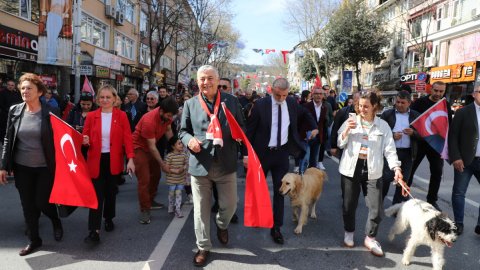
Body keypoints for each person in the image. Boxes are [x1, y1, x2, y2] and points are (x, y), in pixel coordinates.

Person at [179, 65, 245, 267]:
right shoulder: (190, 104)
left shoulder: (231, 102)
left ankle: (222, 224)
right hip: (200, 164)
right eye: (202, 79)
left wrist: (246, 155)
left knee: (230, 205)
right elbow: (182, 131)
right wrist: (189, 140)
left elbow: (242, 130)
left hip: (226, 163)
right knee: (200, 210)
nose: (205, 82)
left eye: (209, 78)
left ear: (217, 81)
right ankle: (203, 247)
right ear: (197, 81)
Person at [246, 78, 317, 245]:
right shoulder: (261, 105)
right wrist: (246, 154)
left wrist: (314, 126)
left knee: (280, 191)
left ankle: (276, 227)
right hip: (262, 154)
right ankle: (257, 216)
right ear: (272, 90)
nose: (281, 99)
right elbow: (250, 131)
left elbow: (306, 113)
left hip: (282, 154)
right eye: (278, 95)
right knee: (258, 188)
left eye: (284, 95)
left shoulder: (291, 103)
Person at [0, 73, 63, 256]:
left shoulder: (51, 112)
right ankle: (34, 240)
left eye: (29, 88)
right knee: (28, 205)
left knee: (42, 202)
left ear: (39, 92)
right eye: (23, 88)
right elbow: (8, 137)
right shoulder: (15, 110)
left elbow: (61, 136)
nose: (25, 91)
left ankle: (55, 219)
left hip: (45, 167)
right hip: (22, 168)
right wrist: (3, 166)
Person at [338, 91, 402, 257]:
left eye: (366, 106)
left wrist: (396, 168)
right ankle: (349, 232)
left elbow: (390, 149)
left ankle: (370, 238)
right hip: (351, 167)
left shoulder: (383, 126)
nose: (362, 109)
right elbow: (339, 143)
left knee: (376, 208)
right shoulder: (350, 121)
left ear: (375, 106)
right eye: (360, 105)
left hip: (373, 169)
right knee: (348, 204)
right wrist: (346, 132)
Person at [82, 85, 135, 244]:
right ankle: (94, 231)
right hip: (96, 160)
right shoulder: (91, 116)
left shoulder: (122, 116)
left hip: (114, 160)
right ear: (98, 99)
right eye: (102, 97)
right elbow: (85, 137)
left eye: (108, 97)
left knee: (110, 193)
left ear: (114, 99)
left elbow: (127, 139)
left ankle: (109, 217)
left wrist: (130, 159)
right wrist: (85, 140)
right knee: (96, 196)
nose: (105, 100)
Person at [132, 97, 178, 224]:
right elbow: (152, 147)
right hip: (138, 148)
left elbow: (168, 131)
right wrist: (163, 164)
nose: (170, 119)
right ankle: (145, 209)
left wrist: (176, 145)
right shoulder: (149, 121)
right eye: (169, 115)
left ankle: (150, 200)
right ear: (161, 111)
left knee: (156, 175)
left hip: (150, 147)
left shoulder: (166, 116)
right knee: (144, 179)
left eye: (172, 116)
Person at [408, 81, 452, 211]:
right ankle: (402, 197)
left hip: (436, 144)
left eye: (441, 91)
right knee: (410, 170)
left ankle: (432, 200)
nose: (438, 94)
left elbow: (449, 125)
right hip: (419, 143)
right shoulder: (420, 103)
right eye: (436, 90)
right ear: (430, 89)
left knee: (437, 172)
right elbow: (410, 121)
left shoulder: (445, 105)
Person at [448, 86, 480, 236]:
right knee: (459, 193)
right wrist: (455, 157)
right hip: (465, 160)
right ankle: (458, 223)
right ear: (474, 94)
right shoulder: (463, 112)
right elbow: (453, 136)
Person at [380, 91, 420, 205]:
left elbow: (423, 135)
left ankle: (397, 207)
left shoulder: (416, 116)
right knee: (386, 179)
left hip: (408, 153)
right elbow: (378, 133)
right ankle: (378, 204)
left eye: (403, 102)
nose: (399, 105)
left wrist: (413, 133)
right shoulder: (387, 114)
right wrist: (392, 136)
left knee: (403, 181)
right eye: (397, 102)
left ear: (409, 103)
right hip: (391, 152)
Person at [331, 91, 361, 158]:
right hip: (345, 145)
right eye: (356, 99)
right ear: (353, 99)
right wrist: (333, 146)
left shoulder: (365, 112)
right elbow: (335, 128)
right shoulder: (343, 111)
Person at [165, 136, 188, 218]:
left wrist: (183, 168)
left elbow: (186, 164)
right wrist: (176, 171)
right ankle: (171, 205)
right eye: (179, 143)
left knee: (178, 193)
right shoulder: (169, 156)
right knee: (171, 193)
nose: (181, 145)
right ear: (173, 146)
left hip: (180, 179)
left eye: (181, 143)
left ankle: (177, 210)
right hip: (172, 179)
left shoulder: (184, 155)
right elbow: (166, 168)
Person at [0, 79, 22, 148]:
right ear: (6, 85)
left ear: (14, 86)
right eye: (9, 85)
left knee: (13, 129)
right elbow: (1, 104)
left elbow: (19, 103)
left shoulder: (17, 94)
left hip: (15, 115)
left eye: (12, 85)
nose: (10, 86)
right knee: (4, 129)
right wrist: (9, 110)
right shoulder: (2, 93)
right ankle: (3, 143)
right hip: (5, 115)